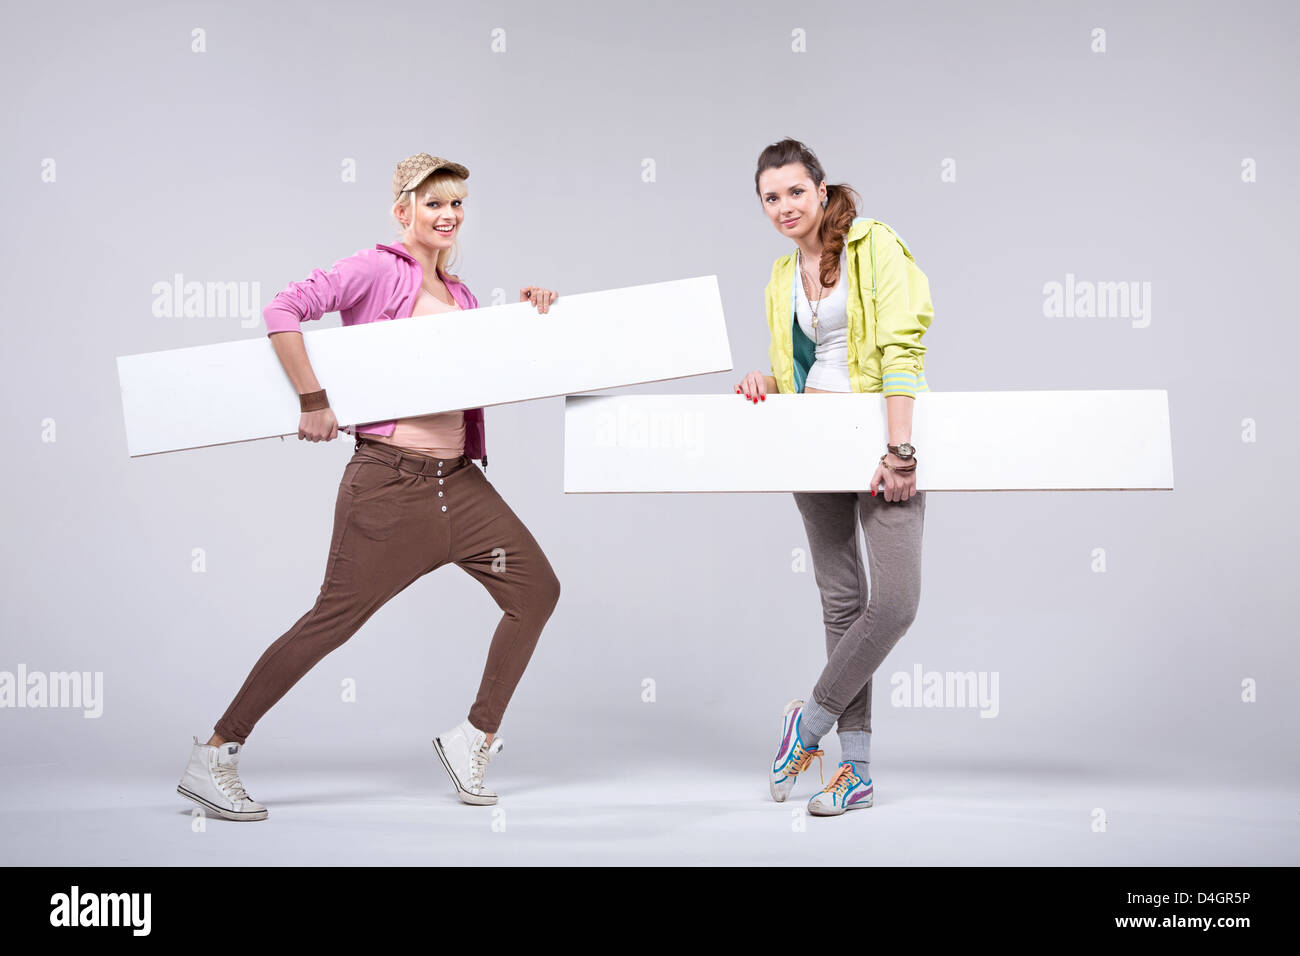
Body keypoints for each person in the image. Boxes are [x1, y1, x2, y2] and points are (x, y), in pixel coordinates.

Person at [177, 153, 562, 820]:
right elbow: (282, 308)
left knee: (536, 590)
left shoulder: (463, 295)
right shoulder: (378, 269)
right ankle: (216, 753)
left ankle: (474, 736)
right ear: (402, 211)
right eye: (433, 202)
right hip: (389, 487)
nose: (447, 215)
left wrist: (531, 314)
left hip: (460, 488)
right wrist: (313, 400)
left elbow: (488, 367)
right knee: (333, 621)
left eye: (457, 204)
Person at [737, 138, 934, 817]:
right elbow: (794, 364)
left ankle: (808, 725)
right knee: (842, 603)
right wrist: (766, 380)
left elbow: (901, 345)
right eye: (771, 197)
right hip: (808, 441)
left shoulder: (873, 245)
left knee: (896, 601)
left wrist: (901, 448)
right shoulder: (778, 275)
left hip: (880, 441)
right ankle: (857, 773)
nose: (785, 206)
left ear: (821, 191)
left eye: (795, 191)